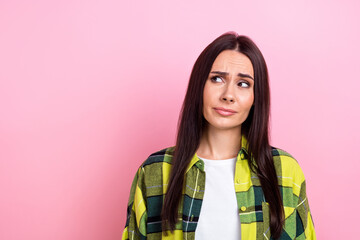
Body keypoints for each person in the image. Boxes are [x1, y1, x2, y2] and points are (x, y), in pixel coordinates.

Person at [121, 32, 316, 240]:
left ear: (255, 98)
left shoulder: (285, 171)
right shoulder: (155, 172)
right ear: (199, 87)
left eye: (243, 84)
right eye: (217, 79)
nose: (228, 95)